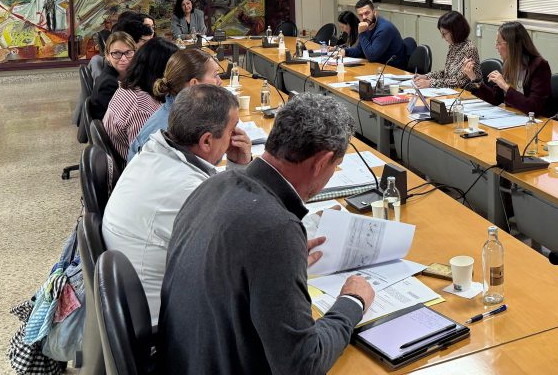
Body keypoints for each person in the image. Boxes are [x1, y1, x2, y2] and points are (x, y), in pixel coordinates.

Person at [158, 93, 375, 375]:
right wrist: (352, 303)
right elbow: (303, 365)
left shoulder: (214, 184)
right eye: (336, 165)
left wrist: (284, 265)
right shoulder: (276, 230)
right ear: (322, 162)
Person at [103, 84, 251, 325]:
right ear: (206, 141)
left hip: (135, 306)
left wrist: (238, 167)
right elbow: (240, 251)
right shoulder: (190, 191)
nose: (235, 136)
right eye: (231, 130)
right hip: (162, 327)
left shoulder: (154, 151)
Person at [128, 48, 222, 160]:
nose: (220, 81)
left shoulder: (184, 110)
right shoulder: (171, 131)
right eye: (215, 75)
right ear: (194, 84)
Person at [103, 38, 177, 159]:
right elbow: (143, 156)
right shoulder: (142, 108)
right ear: (162, 71)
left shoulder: (131, 86)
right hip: (133, 164)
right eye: (174, 69)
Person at [466, 22, 551, 116]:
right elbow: (495, 99)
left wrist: (505, 86)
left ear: (511, 45)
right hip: (514, 116)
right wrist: (474, 79)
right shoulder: (508, 63)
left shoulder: (539, 66)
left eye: (499, 43)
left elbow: (533, 108)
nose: (496, 47)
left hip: (536, 120)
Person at [413, 11, 481, 90]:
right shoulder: (454, 46)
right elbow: (446, 73)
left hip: (467, 93)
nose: (442, 37)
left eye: (444, 33)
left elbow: (459, 82)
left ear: (455, 31)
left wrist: (430, 83)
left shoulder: (469, 49)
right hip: (453, 91)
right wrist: (426, 76)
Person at [86, 32, 136, 121]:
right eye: (116, 53)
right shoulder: (108, 84)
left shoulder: (122, 74)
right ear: (107, 56)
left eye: (128, 52)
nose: (123, 58)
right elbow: (123, 118)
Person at [343, 0, 406, 67]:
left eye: (367, 13)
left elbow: (371, 56)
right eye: (360, 15)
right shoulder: (366, 26)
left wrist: (362, 33)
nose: (364, 17)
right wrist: (344, 51)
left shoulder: (384, 28)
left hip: (393, 69)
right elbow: (359, 50)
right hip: (378, 66)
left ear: (374, 12)